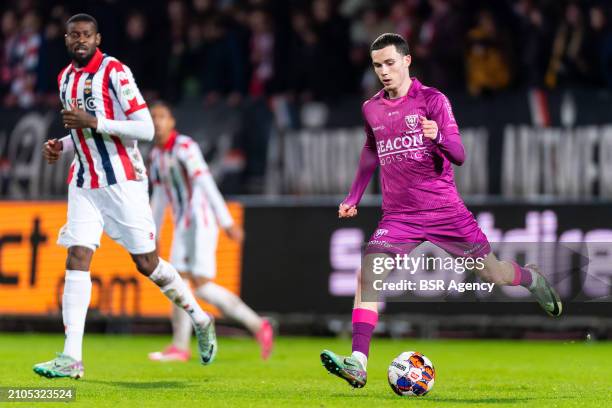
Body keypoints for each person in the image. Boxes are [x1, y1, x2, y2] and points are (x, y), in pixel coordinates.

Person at [319, 33, 562, 389]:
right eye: (377, 65)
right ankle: (358, 362)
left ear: (406, 61)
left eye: (390, 63)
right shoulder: (371, 107)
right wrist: (354, 196)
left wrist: (437, 137)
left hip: (444, 210)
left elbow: (459, 155)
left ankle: (531, 278)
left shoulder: (433, 100)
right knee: (366, 276)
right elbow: (371, 150)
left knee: (493, 274)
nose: (384, 71)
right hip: (399, 216)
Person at [35, 13, 217, 379]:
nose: (80, 41)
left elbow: (146, 128)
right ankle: (72, 358)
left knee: (147, 264)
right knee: (77, 255)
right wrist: (61, 145)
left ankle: (199, 317)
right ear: (67, 40)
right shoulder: (65, 78)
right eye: (74, 36)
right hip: (84, 181)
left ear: (98, 38)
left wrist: (95, 122)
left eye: (86, 35)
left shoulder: (116, 72)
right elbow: (82, 135)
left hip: (122, 181)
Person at [147, 101, 274, 361]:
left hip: (201, 222)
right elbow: (159, 197)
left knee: (202, 287)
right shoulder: (156, 156)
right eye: (153, 117)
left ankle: (258, 325)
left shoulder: (185, 147)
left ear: (172, 122)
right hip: (183, 225)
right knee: (176, 281)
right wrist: (154, 234)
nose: (157, 122)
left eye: (162, 116)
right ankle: (180, 347)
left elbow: (206, 183)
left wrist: (225, 221)